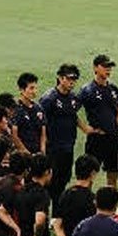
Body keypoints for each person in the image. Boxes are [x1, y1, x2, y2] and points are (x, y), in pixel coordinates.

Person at [40, 63, 95, 207]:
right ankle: (43, 214)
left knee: (63, 180)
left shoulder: (73, 98)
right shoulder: (49, 99)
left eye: (74, 79)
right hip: (53, 148)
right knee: (50, 181)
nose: (72, 82)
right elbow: (40, 122)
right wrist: (43, 144)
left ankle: (56, 216)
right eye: (69, 78)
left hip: (68, 146)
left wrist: (85, 128)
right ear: (60, 78)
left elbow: (72, 115)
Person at [80, 54, 118, 190]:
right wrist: (85, 128)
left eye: (110, 67)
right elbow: (72, 109)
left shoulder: (114, 89)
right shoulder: (87, 90)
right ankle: (86, 203)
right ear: (95, 68)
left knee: (113, 175)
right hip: (96, 139)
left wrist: (116, 123)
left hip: (113, 139)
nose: (108, 70)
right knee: (89, 175)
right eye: (105, 67)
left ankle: (111, 206)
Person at [11, 72, 46, 155]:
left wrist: (42, 151)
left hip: (38, 154)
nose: (34, 91)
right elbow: (14, 136)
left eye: (35, 88)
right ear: (22, 90)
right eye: (31, 88)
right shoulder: (16, 109)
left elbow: (43, 132)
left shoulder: (39, 108)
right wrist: (27, 154)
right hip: (23, 156)